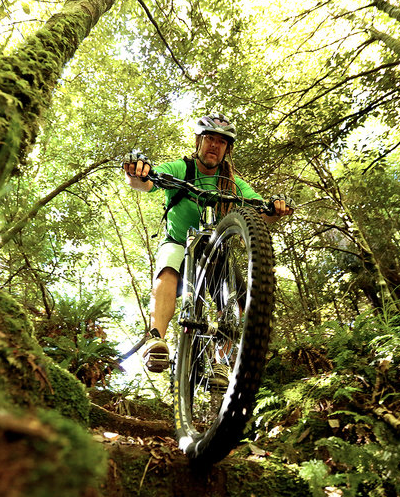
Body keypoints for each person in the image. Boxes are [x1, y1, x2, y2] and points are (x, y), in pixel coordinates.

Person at [122, 112, 294, 373]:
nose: (214, 145)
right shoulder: (183, 168)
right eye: (209, 138)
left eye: (221, 142)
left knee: (241, 299)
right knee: (168, 267)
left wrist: (276, 208)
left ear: (227, 149)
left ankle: (220, 362)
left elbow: (261, 211)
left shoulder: (231, 182)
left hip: (214, 251)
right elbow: (143, 182)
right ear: (198, 142)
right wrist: (137, 170)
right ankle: (156, 339)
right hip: (179, 242)